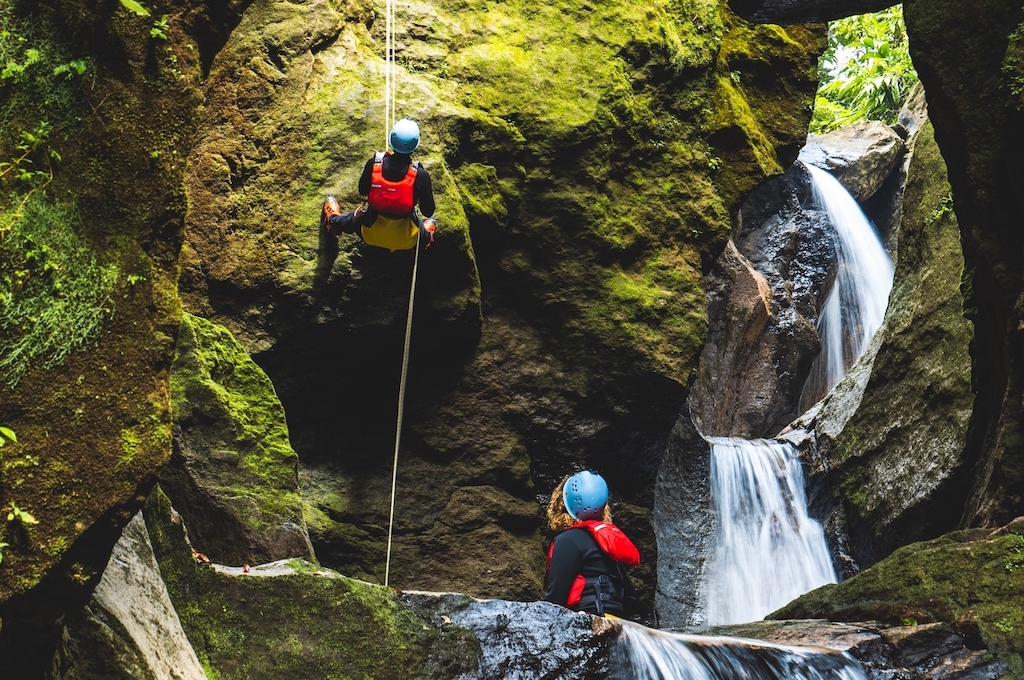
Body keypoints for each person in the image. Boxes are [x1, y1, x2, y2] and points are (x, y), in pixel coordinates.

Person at [321, 118, 437, 252]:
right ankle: (427, 237)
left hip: (369, 233)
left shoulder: (374, 164)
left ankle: (333, 220)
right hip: (407, 239)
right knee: (422, 228)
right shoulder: (420, 176)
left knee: (354, 219)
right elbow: (428, 211)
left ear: (391, 140)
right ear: (415, 145)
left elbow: (362, 190)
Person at [545, 470, 640, 618]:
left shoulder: (568, 540)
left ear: (564, 504)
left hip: (586, 621)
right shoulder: (608, 542)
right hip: (616, 622)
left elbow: (556, 598)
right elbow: (631, 597)